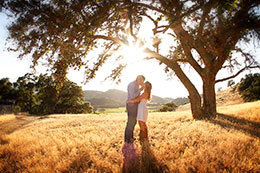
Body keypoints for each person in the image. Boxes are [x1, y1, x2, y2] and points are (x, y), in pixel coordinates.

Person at [124, 75, 145, 143]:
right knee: (131, 122)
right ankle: (127, 139)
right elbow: (132, 96)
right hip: (131, 105)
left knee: (133, 122)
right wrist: (140, 90)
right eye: (142, 81)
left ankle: (130, 137)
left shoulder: (136, 85)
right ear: (139, 79)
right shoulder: (132, 85)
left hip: (134, 105)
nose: (143, 83)